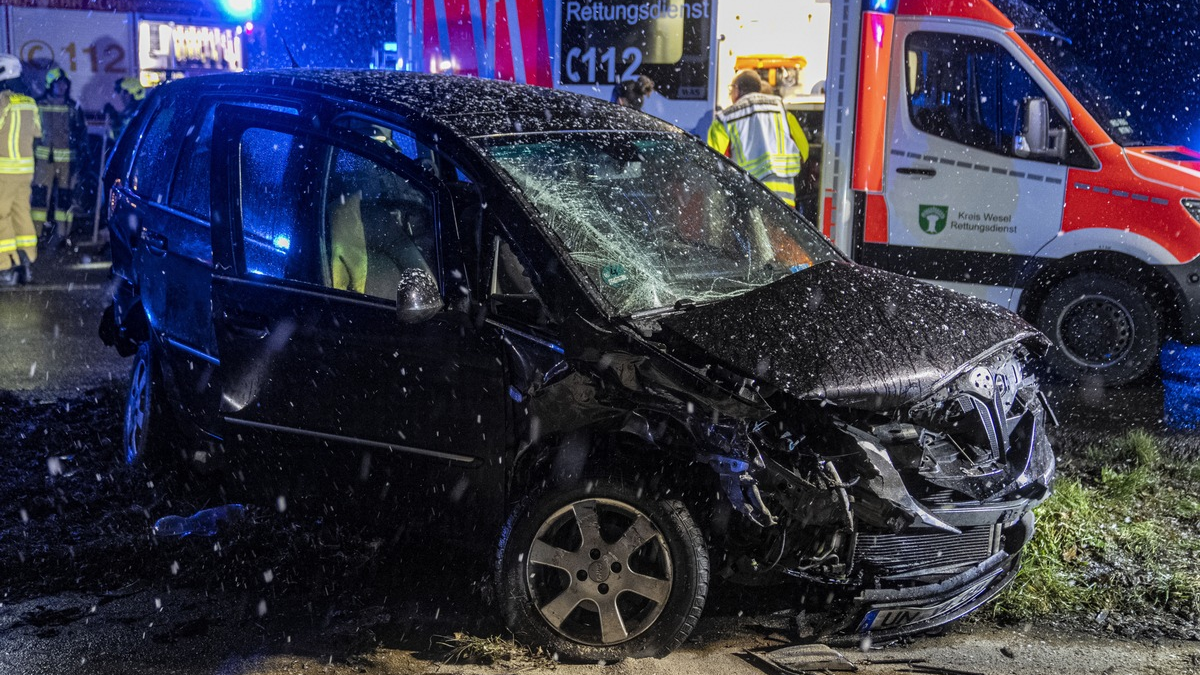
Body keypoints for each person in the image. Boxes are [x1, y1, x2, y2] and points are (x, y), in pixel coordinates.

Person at [707, 70, 810, 208]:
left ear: (737, 89)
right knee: (778, 223)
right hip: (784, 197)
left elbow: (714, 160)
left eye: (731, 89)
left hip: (749, 195)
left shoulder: (725, 119)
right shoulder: (781, 111)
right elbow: (803, 150)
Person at [33, 66, 86, 246]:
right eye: (58, 84)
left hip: (67, 162)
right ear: (50, 85)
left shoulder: (72, 107)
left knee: (64, 198)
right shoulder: (39, 105)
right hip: (43, 160)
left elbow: (81, 134)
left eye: (64, 84)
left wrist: (82, 157)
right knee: (40, 197)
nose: (62, 87)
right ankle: (36, 233)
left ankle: (63, 235)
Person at [0, 55, 41, 286]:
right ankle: (27, 258)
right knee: (22, 213)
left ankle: (6, 265)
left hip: (3, 170)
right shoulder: (29, 102)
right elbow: (37, 132)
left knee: (1, 216)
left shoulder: (2, 101)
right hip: (25, 171)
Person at [105, 77, 145, 144]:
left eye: (125, 92)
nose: (123, 96)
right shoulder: (136, 109)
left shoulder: (137, 110)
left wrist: (113, 116)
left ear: (135, 93)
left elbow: (121, 134)